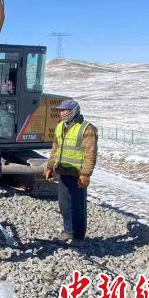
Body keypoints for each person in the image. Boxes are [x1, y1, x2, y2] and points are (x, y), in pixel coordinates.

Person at [44, 100, 97, 246]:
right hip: (63, 171)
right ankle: (68, 231)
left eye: (65, 110)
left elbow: (90, 154)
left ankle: (78, 237)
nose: (61, 113)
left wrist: (85, 175)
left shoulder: (87, 128)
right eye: (60, 110)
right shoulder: (60, 126)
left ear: (74, 111)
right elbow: (55, 149)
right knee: (64, 204)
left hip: (77, 174)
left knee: (78, 206)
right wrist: (49, 167)